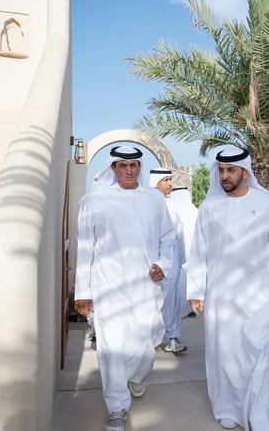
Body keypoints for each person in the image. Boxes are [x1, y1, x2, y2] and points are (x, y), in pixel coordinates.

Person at [187, 147, 269, 431]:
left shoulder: (268, 203)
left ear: (245, 173)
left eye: (231, 170)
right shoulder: (209, 207)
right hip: (221, 296)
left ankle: (260, 414)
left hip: (261, 294)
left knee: (259, 354)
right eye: (221, 170)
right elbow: (199, 252)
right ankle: (228, 407)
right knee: (225, 354)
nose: (225, 175)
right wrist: (196, 290)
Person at [74, 146, 176, 431]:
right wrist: (83, 291)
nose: (128, 171)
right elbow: (85, 246)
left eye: (133, 165)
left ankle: (137, 375)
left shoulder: (154, 198)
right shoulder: (96, 199)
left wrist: (163, 264)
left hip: (145, 283)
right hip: (107, 284)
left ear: (139, 168)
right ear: (113, 168)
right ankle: (116, 406)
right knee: (111, 346)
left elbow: (168, 237)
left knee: (145, 344)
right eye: (122, 166)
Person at [148, 168, 187, 353]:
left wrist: (179, 260)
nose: (170, 184)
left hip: (171, 262)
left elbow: (179, 234)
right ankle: (149, 339)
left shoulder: (172, 205)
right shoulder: (145, 203)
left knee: (171, 300)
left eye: (171, 180)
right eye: (166, 180)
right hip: (151, 262)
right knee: (151, 301)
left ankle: (173, 338)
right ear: (155, 182)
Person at [171, 186, 198, 319]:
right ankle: (192, 308)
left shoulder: (172, 211)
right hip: (192, 254)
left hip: (180, 254)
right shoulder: (195, 211)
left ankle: (182, 309)